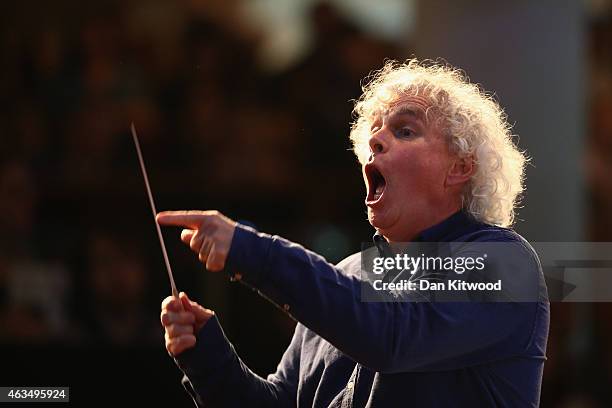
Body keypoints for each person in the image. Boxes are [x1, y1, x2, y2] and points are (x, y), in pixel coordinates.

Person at [157, 59, 549, 407]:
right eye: (373, 133)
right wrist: (205, 355)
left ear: (460, 168)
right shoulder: (349, 274)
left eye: (406, 131)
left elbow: (392, 336)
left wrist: (255, 253)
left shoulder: (506, 264)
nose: (374, 142)